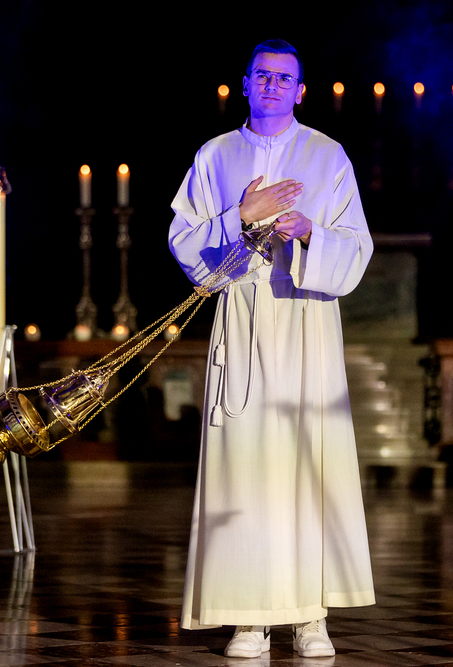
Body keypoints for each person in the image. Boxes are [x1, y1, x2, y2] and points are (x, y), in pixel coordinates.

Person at [169, 39, 375, 659]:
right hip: (244, 319)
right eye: (263, 75)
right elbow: (184, 242)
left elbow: (356, 246)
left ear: (301, 90)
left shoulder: (327, 155)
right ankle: (249, 618)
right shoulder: (216, 155)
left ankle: (310, 616)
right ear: (246, 82)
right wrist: (241, 214)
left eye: (285, 78)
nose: (272, 85)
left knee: (307, 463)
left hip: (306, 321)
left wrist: (309, 232)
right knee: (247, 468)